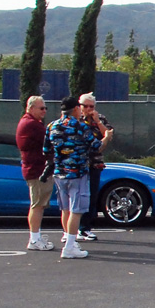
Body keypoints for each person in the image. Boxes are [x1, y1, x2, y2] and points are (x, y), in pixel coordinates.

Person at [44, 95, 102, 259]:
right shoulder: (80, 126)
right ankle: (70, 245)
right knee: (77, 210)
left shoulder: (51, 126)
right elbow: (96, 146)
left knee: (65, 209)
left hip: (59, 173)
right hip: (77, 173)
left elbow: (45, 149)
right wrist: (106, 138)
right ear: (76, 108)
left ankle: (68, 238)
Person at [16, 95, 55, 251]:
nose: (44, 111)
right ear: (31, 108)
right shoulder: (31, 124)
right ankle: (34, 238)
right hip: (37, 171)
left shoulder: (31, 123)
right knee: (37, 205)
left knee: (39, 204)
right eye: (41, 108)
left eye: (45, 108)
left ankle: (37, 235)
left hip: (37, 170)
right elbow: (51, 138)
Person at [77, 92, 113, 241]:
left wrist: (98, 122)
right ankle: (73, 229)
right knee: (77, 196)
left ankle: (86, 227)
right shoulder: (75, 120)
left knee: (91, 195)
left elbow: (108, 135)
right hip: (78, 163)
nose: (88, 109)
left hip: (95, 163)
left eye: (91, 106)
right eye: (85, 106)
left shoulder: (100, 119)